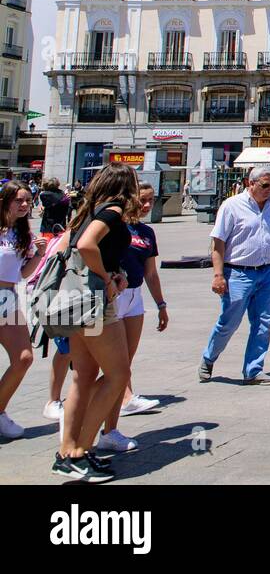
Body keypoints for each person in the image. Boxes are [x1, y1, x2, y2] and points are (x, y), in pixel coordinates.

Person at [53, 163, 139, 482]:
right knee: (118, 374)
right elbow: (87, 245)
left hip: (73, 297)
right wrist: (105, 277)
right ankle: (80, 452)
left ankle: (66, 450)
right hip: (93, 300)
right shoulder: (113, 209)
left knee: (84, 377)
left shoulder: (89, 208)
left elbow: (71, 246)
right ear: (125, 185)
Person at [96, 183, 169, 452]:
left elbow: (151, 272)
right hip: (111, 294)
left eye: (151, 200)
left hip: (135, 296)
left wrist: (161, 304)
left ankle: (111, 427)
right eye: (143, 200)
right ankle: (90, 419)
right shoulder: (113, 224)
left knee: (124, 363)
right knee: (109, 366)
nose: (147, 206)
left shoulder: (147, 232)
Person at [200, 165, 270, 386]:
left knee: (264, 323)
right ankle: (209, 357)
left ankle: (253, 370)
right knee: (229, 322)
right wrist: (218, 275)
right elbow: (218, 243)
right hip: (238, 273)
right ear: (250, 183)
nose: (269, 190)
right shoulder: (232, 206)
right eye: (265, 185)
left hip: (265, 273)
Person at [0, 183, 43, 439]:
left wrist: (39, 254)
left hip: (8, 298)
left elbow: (22, 274)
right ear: (5, 201)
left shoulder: (21, 233)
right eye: (19, 200)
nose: (25, 205)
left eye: (28, 200)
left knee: (24, 357)